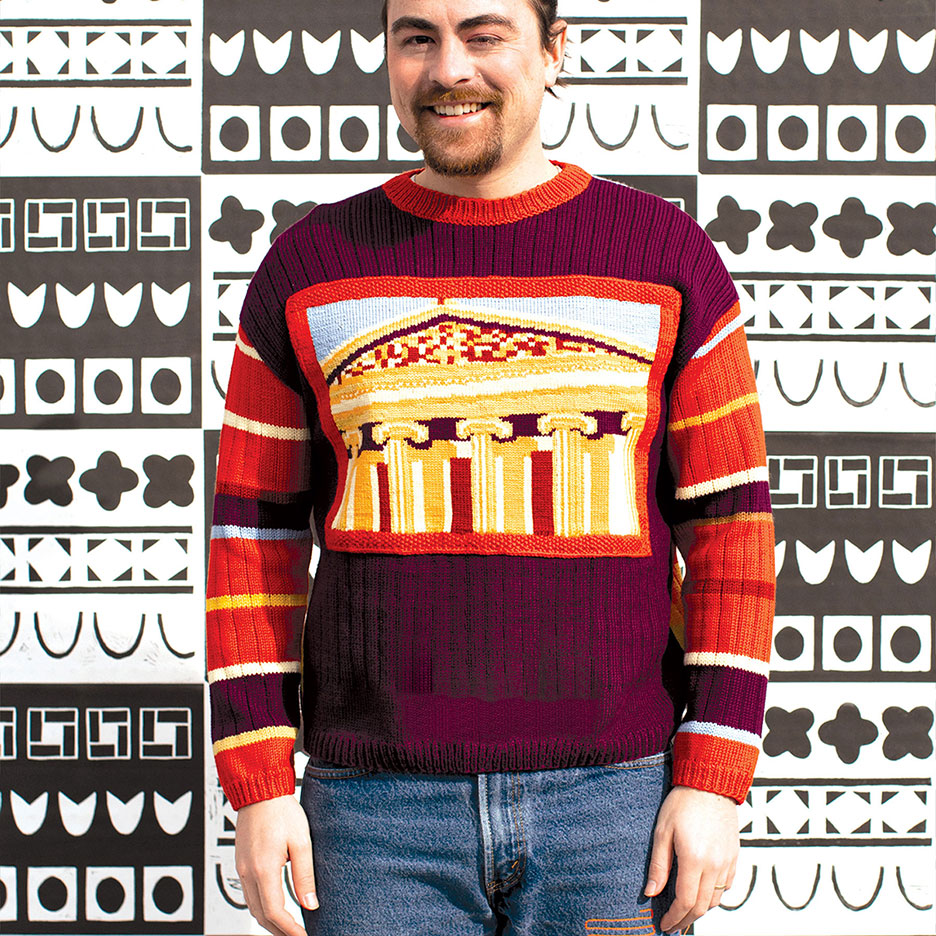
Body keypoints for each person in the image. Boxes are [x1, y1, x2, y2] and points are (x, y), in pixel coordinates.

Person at [205, 1, 775, 934]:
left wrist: (716, 773)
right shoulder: (310, 268)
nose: (448, 69)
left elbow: (731, 533)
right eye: (416, 38)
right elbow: (250, 543)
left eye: (483, 34)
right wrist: (260, 782)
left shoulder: (666, 258)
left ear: (554, 50)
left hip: (615, 809)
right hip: (373, 816)